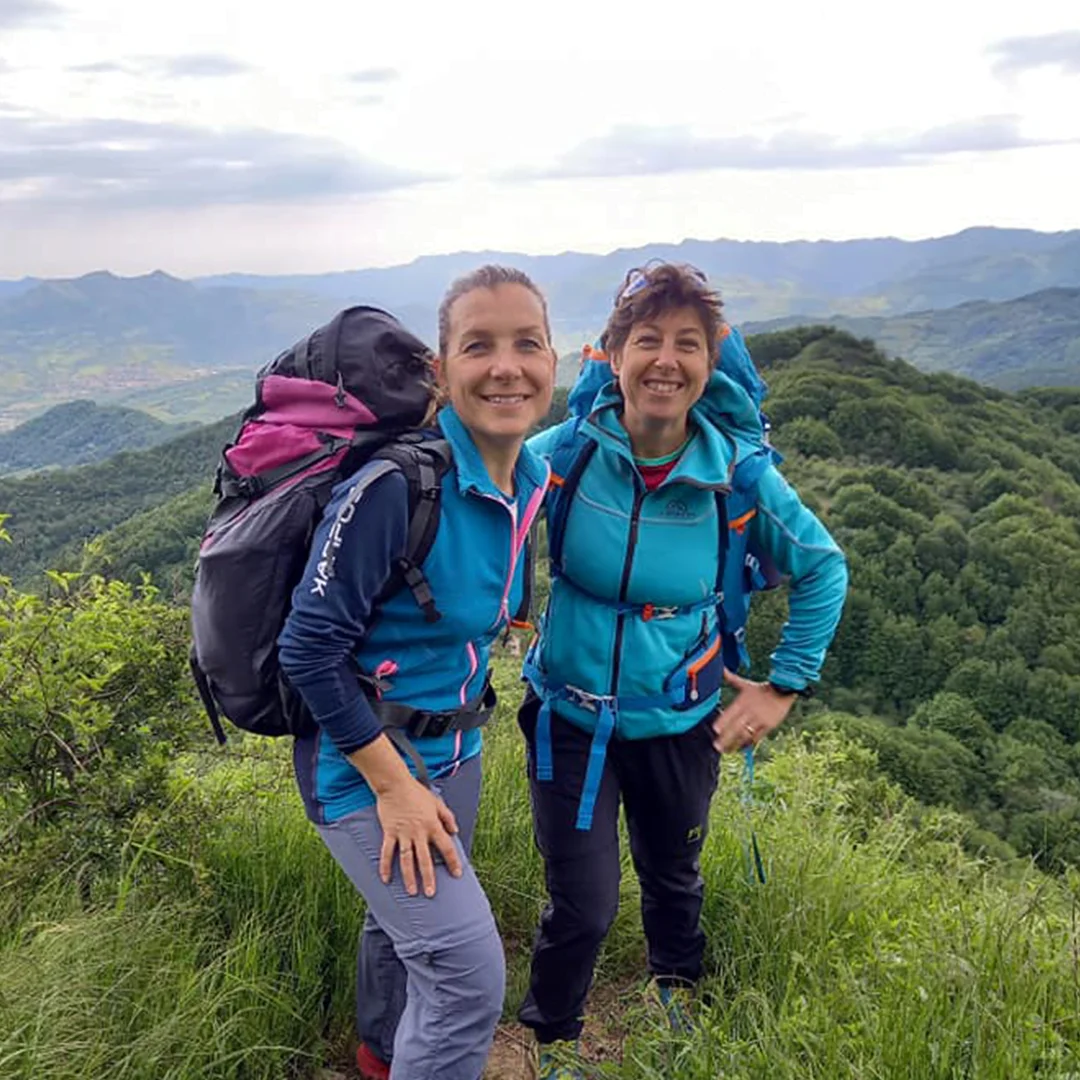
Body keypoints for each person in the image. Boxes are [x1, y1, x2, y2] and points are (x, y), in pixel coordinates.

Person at [517, 262, 849, 1074]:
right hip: (570, 716)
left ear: (710, 365)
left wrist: (784, 686)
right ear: (615, 355)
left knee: (674, 875)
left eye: (688, 344)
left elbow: (822, 568)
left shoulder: (737, 474)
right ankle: (554, 1041)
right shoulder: (565, 454)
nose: (666, 360)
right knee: (583, 906)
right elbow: (483, 499)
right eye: (648, 340)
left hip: (681, 717)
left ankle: (677, 990)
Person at [277, 265, 555, 1080]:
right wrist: (395, 788)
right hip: (363, 767)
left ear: (553, 361)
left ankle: (381, 1057)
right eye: (479, 346)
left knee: (401, 931)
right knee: (468, 978)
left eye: (526, 343)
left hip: (455, 751)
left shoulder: (527, 479)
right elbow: (308, 649)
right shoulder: (397, 486)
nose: (506, 365)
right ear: (443, 368)